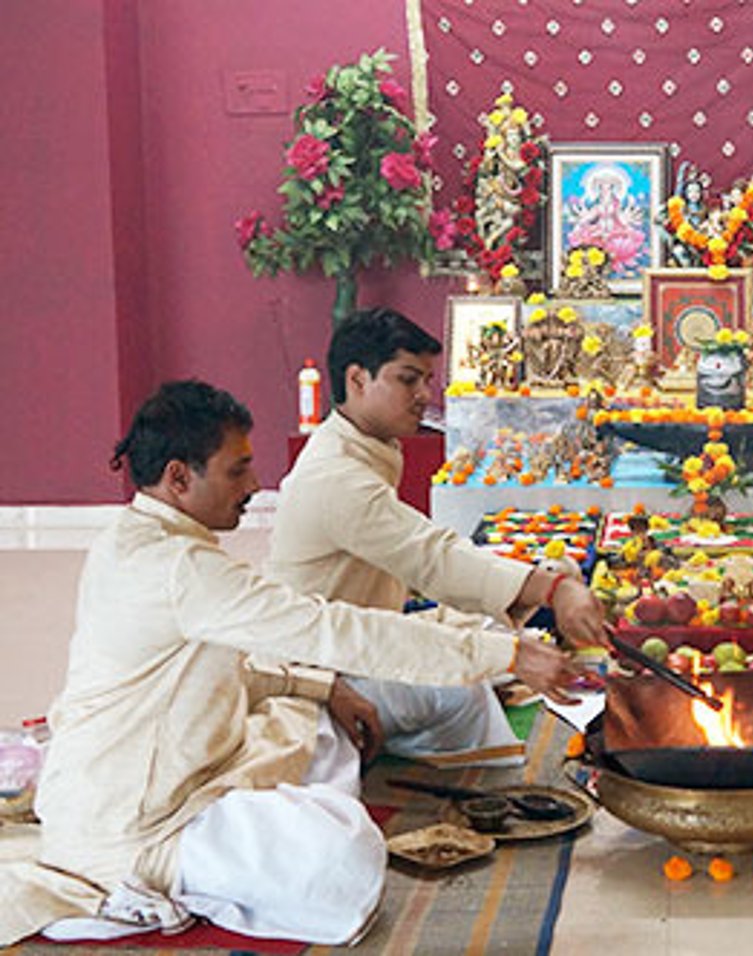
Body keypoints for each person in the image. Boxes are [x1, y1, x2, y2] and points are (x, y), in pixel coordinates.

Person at [0, 381, 577, 947]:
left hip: (191, 773)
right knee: (346, 855)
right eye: (237, 470)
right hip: (138, 827)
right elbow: (333, 628)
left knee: (323, 733)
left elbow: (234, 667)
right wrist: (504, 653)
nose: (256, 484)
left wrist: (321, 689)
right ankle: (160, 884)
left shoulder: (134, 536)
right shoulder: (180, 568)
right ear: (179, 477)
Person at [267, 308, 607, 766]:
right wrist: (553, 588)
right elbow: (433, 558)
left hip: (366, 637)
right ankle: (442, 771)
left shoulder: (361, 447)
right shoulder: (336, 476)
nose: (425, 395)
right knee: (460, 687)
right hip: (329, 672)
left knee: (490, 630)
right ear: (357, 379)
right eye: (409, 380)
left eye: (426, 380)